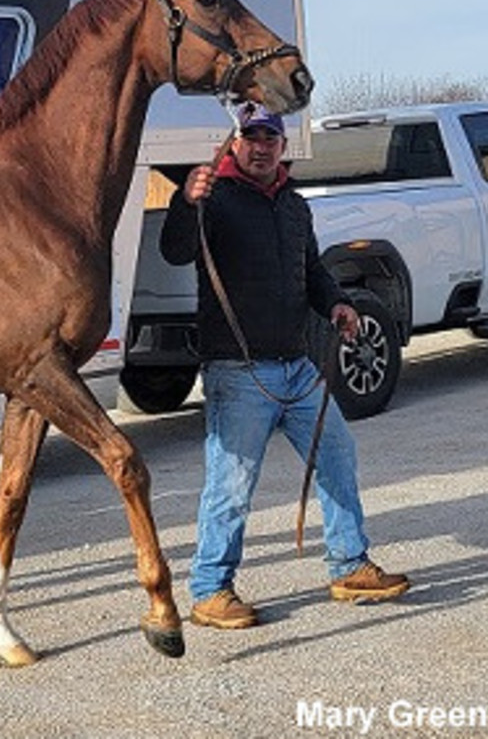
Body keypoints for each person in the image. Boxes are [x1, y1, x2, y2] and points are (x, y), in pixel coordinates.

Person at [160, 102, 409, 629]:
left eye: (269, 138)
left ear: (281, 145)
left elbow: (311, 270)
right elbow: (175, 251)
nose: (260, 146)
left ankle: (349, 565)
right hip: (238, 369)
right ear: (235, 144)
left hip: (299, 367)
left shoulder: (294, 204)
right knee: (231, 484)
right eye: (250, 137)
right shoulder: (215, 198)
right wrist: (186, 202)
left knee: (338, 456)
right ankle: (210, 590)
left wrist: (337, 303)